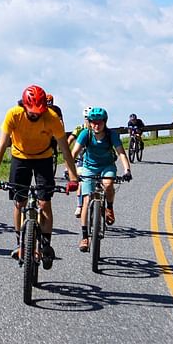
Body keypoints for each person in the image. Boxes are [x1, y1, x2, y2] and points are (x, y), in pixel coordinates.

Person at [0, 84, 79, 270]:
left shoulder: (51, 118)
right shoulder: (13, 115)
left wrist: (73, 177)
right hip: (20, 157)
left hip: (44, 158)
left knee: (45, 202)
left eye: (39, 111)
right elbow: (1, 145)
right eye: (32, 111)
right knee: (19, 202)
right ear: (25, 106)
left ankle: (45, 244)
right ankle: (21, 243)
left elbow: (65, 149)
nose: (36, 114)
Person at [69, 107, 132, 252]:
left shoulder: (112, 135)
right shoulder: (86, 134)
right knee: (86, 200)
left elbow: (121, 153)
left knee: (109, 184)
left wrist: (127, 170)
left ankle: (109, 207)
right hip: (89, 167)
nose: (96, 125)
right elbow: (73, 154)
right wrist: (71, 172)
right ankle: (85, 237)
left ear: (105, 122)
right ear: (90, 123)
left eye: (99, 122)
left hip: (107, 166)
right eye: (93, 122)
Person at [67, 107, 91, 218]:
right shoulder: (80, 128)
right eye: (86, 118)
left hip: (95, 161)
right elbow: (70, 139)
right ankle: (79, 205)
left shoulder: (98, 128)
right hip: (82, 160)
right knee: (81, 181)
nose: (88, 120)